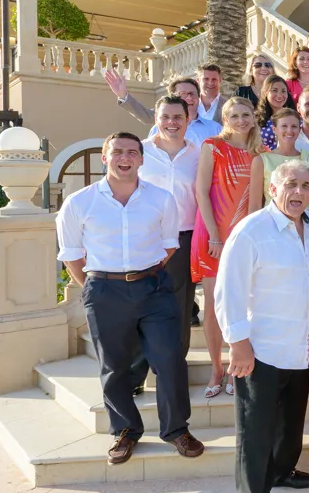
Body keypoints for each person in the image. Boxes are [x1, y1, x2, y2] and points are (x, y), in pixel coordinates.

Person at [56, 132, 204, 466]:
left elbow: (169, 245)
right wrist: (97, 285)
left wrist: (142, 275)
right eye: (118, 152)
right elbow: (71, 254)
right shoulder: (80, 203)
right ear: (105, 158)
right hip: (104, 291)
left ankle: (177, 429)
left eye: (132, 152)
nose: (125, 158)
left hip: (154, 288)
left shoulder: (162, 199)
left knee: (169, 360)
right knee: (115, 366)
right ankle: (124, 430)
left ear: (141, 159)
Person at [216, 160, 309, 493]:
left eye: (306, 185)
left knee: (290, 422)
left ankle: (281, 470)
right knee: (255, 428)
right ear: (272, 189)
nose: (299, 192)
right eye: (291, 184)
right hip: (259, 350)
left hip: (298, 345)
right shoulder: (252, 231)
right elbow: (228, 290)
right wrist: (238, 343)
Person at [192, 97, 267, 399]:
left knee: (242, 302)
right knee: (213, 305)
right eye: (234, 115)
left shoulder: (259, 154)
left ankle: (237, 366)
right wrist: (214, 235)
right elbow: (200, 190)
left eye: (245, 114)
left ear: (253, 117)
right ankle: (216, 368)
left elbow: (255, 203)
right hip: (212, 234)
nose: (240, 120)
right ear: (225, 118)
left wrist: (245, 241)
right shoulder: (212, 146)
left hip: (242, 236)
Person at [135, 96, 200, 384]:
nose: (171, 123)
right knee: (140, 303)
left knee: (180, 304)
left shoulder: (199, 154)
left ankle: (173, 367)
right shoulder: (140, 153)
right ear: (156, 119)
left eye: (178, 117)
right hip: (146, 237)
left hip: (185, 236)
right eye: (165, 117)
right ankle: (136, 372)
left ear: (188, 120)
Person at [104, 72, 222, 146]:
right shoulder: (158, 129)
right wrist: (123, 96)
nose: (189, 98)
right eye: (183, 94)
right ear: (172, 97)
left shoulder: (215, 129)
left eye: (192, 94)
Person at [249, 107, 309, 219]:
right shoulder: (261, 161)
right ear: (274, 129)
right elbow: (255, 204)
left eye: (294, 126)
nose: (289, 130)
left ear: (299, 129)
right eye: (284, 126)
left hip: (304, 223)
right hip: (272, 221)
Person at [256, 76, 295, 150]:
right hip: (264, 159)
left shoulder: (295, 118)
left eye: (283, 91)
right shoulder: (255, 119)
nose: (279, 96)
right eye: (274, 90)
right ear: (265, 93)